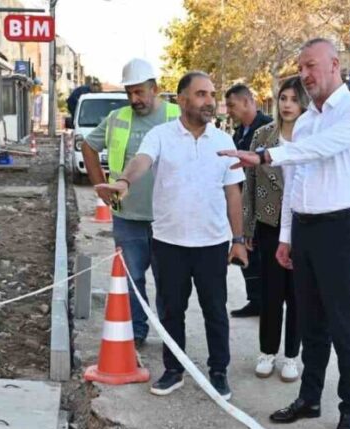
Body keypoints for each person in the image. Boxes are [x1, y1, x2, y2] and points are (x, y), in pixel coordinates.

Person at [220, 38, 350, 429]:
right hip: (304, 230)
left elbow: (319, 152)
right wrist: (286, 236)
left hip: (342, 229)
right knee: (311, 323)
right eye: (301, 68)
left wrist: (268, 155)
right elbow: (295, 184)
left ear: (335, 64)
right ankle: (309, 398)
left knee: (344, 324)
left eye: (311, 66)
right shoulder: (305, 122)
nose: (305, 74)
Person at [96, 71, 248, 400]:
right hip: (169, 242)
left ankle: (218, 371)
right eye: (201, 94)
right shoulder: (161, 135)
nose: (209, 101)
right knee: (171, 310)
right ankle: (174, 369)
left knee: (215, 310)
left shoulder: (224, 141)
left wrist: (238, 240)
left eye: (211, 94)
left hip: (211, 242)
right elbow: (141, 161)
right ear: (181, 100)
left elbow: (233, 194)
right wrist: (123, 182)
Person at [83, 59, 181, 348]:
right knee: (132, 279)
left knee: (168, 284)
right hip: (127, 216)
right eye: (130, 93)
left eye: (139, 92)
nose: (134, 99)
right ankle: (137, 332)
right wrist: (99, 185)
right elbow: (88, 145)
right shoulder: (118, 118)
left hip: (167, 217)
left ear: (156, 89)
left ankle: (169, 335)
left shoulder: (176, 116)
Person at [242, 76, 308, 383]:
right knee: (270, 294)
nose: (287, 105)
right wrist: (246, 230)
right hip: (269, 226)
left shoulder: (313, 136)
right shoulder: (262, 135)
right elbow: (250, 185)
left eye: (294, 99)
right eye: (283, 98)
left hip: (305, 227)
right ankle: (267, 352)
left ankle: (292, 356)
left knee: (298, 296)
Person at [225, 84, 273, 319]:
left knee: (262, 253)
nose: (229, 111)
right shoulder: (239, 132)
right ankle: (255, 300)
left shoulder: (267, 128)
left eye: (232, 105)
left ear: (247, 102)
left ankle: (266, 301)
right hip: (243, 201)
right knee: (247, 252)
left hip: (263, 202)